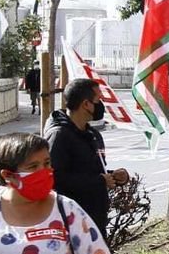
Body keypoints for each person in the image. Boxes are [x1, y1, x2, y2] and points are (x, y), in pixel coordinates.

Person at [46, 77, 128, 238]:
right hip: (71, 224)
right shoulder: (59, 135)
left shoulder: (93, 135)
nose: (101, 106)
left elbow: (92, 171)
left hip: (95, 222)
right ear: (86, 104)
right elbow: (55, 179)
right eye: (98, 100)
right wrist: (99, 181)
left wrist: (113, 176)